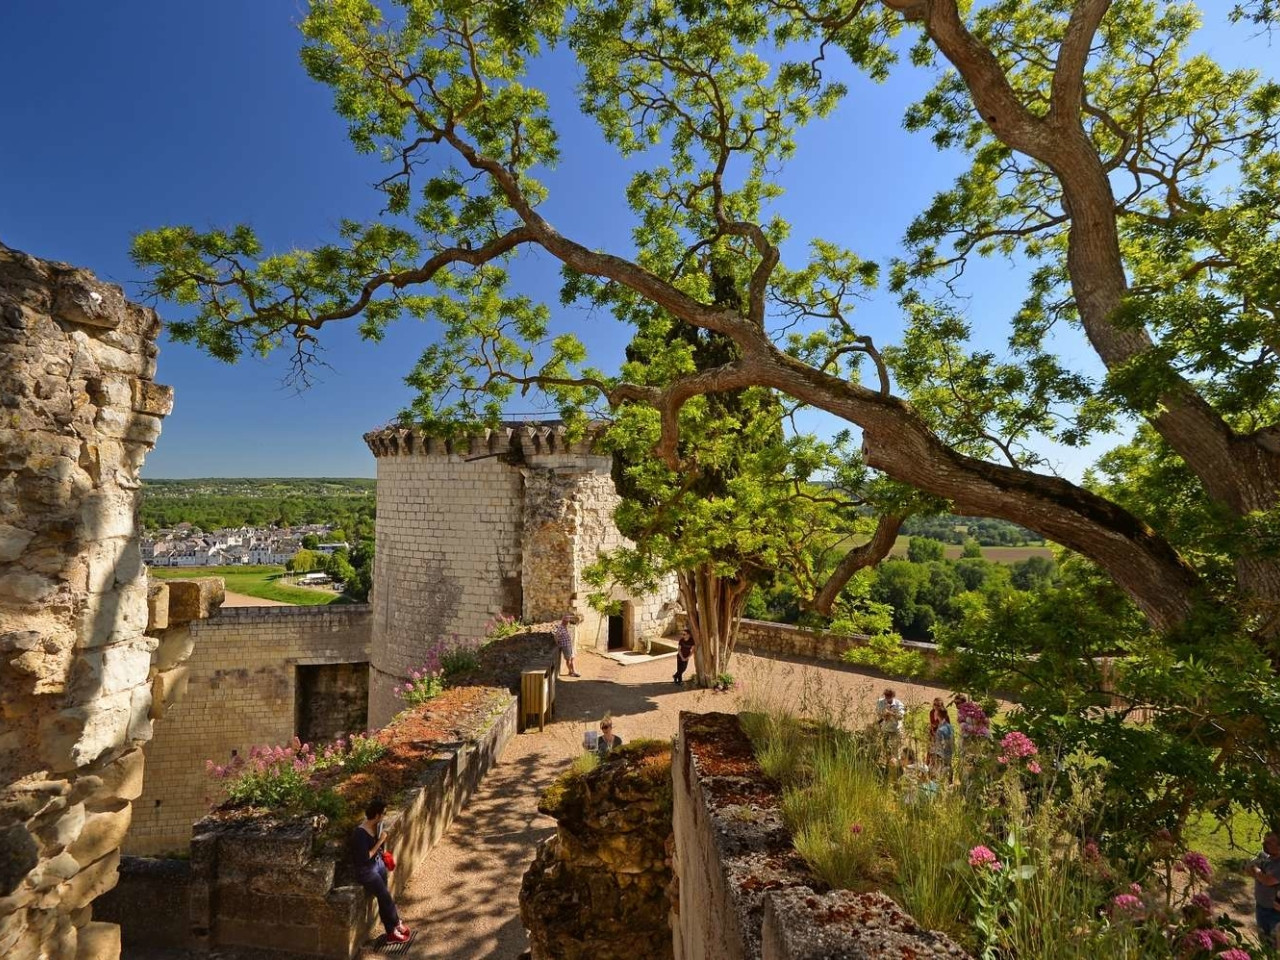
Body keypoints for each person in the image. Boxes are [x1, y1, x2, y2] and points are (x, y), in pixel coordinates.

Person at [348, 797, 410, 944]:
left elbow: (377, 851)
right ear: (376, 815)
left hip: (378, 866)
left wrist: (382, 844)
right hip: (367, 872)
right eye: (383, 813)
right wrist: (380, 841)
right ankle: (396, 923)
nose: (384, 816)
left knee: (384, 899)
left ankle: (391, 933)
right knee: (386, 898)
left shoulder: (377, 826)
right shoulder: (360, 834)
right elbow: (365, 857)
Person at [1246, 831, 1280, 945]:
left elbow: (1268, 880)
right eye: (1267, 840)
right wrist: (1256, 871)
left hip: (1275, 913)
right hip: (1261, 907)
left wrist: (1256, 869)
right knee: (1265, 944)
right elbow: (1248, 870)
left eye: (1272, 841)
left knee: (1275, 947)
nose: (1267, 843)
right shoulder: (1266, 858)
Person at [874, 687, 906, 758]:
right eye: (886, 696)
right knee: (884, 749)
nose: (887, 698)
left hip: (896, 730)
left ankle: (896, 766)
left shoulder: (899, 704)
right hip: (884, 729)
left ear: (893, 696)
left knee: (895, 750)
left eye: (889, 696)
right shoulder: (880, 702)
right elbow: (878, 713)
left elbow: (901, 716)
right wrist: (884, 714)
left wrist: (891, 713)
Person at [929, 709, 955, 782]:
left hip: (942, 754)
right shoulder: (950, 726)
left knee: (941, 773)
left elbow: (941, 744)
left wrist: (933, 750)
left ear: (937, 716)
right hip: (950, 752)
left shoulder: (940, 730)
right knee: (949, 768)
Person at [554, 613, 581, 678]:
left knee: (572, 658)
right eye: (566, 621)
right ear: (564, 621)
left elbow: (573, 618)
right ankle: (572, 672)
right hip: (565, 646)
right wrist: (557, 643)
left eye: (567, 621)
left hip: (569, 645)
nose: (567, 622)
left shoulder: (565, 627)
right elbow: (556, 636)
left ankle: (572, 671)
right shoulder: (561, 628)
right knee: (568, 659)